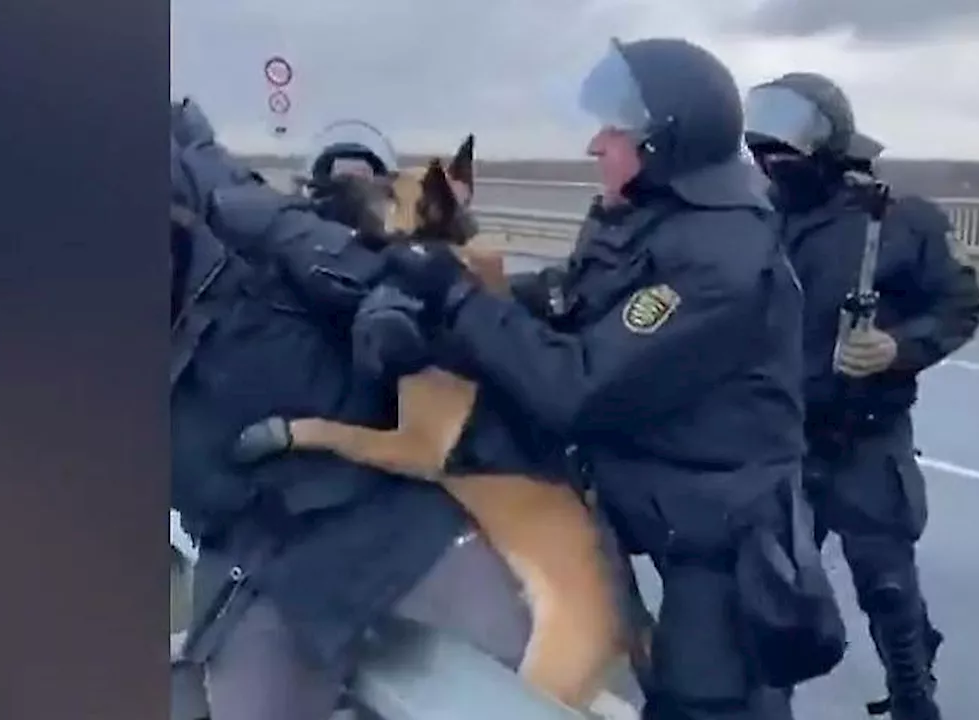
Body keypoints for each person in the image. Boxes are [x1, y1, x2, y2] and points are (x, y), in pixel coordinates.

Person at [360, 38, 846, 720]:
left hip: (720, 535)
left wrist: (458, 300)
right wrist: (440, 307)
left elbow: (577, 387)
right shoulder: (652, 221)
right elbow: (567, 301)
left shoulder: (721, 259)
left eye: (614, 131)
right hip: (650, 503)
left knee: (704, 701)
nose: (596, 145)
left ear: (662, 146)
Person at [170, 98, 530, 720]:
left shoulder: (249, 228)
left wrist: (387, 317)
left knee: (531, 679)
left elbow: (361, 269)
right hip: (255, 572)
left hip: (387, 521)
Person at [743, 72, 979, 720]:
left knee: (887, 589)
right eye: (762, 152)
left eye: (785, 151)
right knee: (772, 596)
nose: (772, 164)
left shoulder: (901, 222)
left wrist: (896, 348)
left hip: (865, 440)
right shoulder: (753, 221)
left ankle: (914, 699)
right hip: (779, 444)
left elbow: (959, 304)